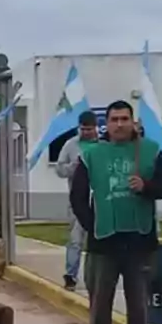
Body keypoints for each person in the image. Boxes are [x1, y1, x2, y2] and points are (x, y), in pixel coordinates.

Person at [70, 100, 162, 324]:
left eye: (124, 119)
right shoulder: (92, 155)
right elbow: (78, 197)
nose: (119, 124)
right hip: (103, 244)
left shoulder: (151, 151)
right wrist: (92, 227)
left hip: (140, 242)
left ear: (133, 122)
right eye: (114, 119)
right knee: (99, 305)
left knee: (139, 305)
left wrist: (147, 187)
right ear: (106, 123)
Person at [55, 110, 99, 290]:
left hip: (100, 200)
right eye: (83, 129)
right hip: (78, 200)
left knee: (98, 240)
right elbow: (59, 170)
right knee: (75, 239)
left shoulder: (103, 145)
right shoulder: (71, 145)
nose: (86, 132)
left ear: (96, 128)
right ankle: (70, 275)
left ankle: (96, 276)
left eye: (89, 129)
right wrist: (73, 167)